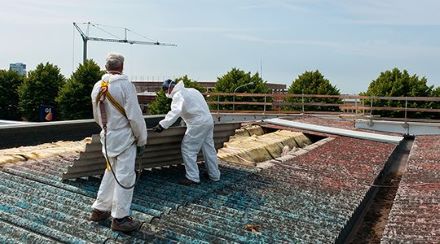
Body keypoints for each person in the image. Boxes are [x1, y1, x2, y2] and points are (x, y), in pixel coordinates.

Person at [89, 53, 147, 232]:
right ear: (121, 67)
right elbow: (135, 117)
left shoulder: (98, 86)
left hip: (108, 138)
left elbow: (97, 117)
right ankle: (120, 219)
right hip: (125, 140)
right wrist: (141, 139)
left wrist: (109, 130)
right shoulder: (126, 86)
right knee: (124, 176)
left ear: (106, 67)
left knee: (110, 173)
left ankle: (100, 209)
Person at [152, 79, 220, 185]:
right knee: (209, 148)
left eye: (165, 91)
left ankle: (192, 177)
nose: (166, 94)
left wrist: (162, 125)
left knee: (188, 149)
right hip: (208, 120)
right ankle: (214, 175)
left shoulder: (178, 95)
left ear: (169, 89)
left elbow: (175, 111)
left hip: (197, 124)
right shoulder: (192, 90)